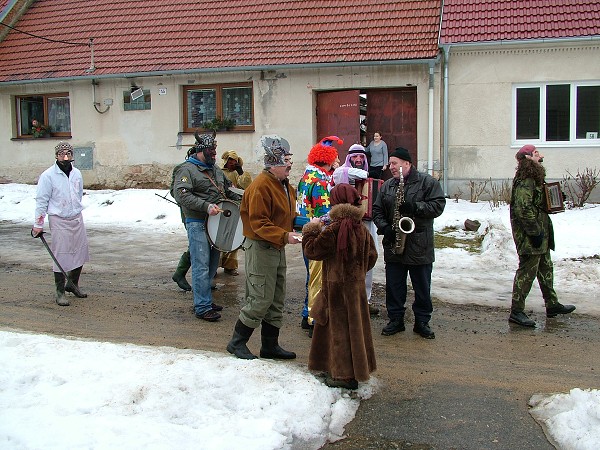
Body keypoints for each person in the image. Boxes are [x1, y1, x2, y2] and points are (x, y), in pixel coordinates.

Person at [226, 136, 302, 360]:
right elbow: (259, 223)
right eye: (285, 161)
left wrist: (308, 223)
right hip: (261, 248)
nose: (290, 165)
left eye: (289, 160)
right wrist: (285, 236)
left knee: (276, 298)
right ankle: (236, 343)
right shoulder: (260, 186)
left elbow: (286, 216)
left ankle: (270, 346)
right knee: (260, 298)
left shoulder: (285, 186)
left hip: (276, 247)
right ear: (273, 164)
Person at [302, 184, 378, 390]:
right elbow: (372, 256)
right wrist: (359, 272)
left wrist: (311, 228)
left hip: (335, 289)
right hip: (356, 289)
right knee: (354, 329)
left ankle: (341, 376)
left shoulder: (334, 229)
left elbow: (313, 250)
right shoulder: (361, 228)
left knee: (338, 330)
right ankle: (354, 371)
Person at [373, 147, 445, 339]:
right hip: (394, 244)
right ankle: (395, 319)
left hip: (420, 244)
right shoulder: (388, 185)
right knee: (394, 286)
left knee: (422, 286)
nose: (391, 167)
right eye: (390, 163)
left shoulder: (427, 182)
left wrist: (416, 207)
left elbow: (438, 205)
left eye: (394, 163)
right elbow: (377, 210)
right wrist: (385, 228)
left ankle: (422, 321)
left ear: (407, 163)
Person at [172, 132, 240, 322]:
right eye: (211, 150)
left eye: (215, 150)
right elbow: (181, 195)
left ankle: (206, 299)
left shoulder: (216, 169)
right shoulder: (186, 170)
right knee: (201, 264)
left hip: (216, 223)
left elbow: (228, 190)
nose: (214, 154)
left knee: (212, 263)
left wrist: (246, 198)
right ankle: (201, 306)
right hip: (197, 222)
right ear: (201, 150)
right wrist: (206, 206)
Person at [508, 144, 575, 327]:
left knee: (545, 268)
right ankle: (517, 311)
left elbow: (536, 202)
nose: (541, 156)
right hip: (530, 235)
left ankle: (552, 304)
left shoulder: (535, 178)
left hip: (540, 233)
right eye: (537, 153)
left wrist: (555, 198)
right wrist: (534, 232)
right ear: (528, 158)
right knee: (527, 272)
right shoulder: (526, 179)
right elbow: (523, 208)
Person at [31, 142, 90, 306]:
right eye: (62, 153)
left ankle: (72, 284)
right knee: (61, 254)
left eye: (69, 153)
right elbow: (42, 201)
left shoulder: (77, 173)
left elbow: (78, 194)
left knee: (81, 251)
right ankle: (60, 292)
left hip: (76, 217)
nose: (66, 156)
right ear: (56, 155)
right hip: (59, 219)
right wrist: (38, 224)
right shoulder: (48, 176)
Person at [296, 136, 342, 335]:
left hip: (305, 233)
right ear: (328, 159)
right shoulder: (321, 181)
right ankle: (315, 321)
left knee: (311, 275)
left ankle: (306, 315)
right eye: (335, 158)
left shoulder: (305, 177)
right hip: (318, 235)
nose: (337, 161)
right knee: (318, 278)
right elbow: (325, 213)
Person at [333, 143, 380, 315]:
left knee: (368, 260)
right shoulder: (340, 173)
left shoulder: (368, 179)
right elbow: (344, 173)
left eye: (361, 157)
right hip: (346, 225)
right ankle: (346, 302)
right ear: (349, 158)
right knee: (347, 261)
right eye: (355, 157)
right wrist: (364, 174)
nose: (358, 160)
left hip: (367, 225)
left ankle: (364, 301)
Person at [219, 150, 253, 276]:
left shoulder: (240, 174)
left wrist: (241, 173)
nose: (232, 163)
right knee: (219, 236)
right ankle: (214, 265)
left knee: (233, 236)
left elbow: (248, 187)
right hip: (221, 207)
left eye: (235, 161)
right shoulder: (219, 172)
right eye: (230, 161)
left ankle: (230, 265)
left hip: (235, 207)